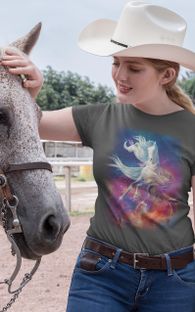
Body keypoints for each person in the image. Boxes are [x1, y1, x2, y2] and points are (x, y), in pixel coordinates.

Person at [1, 1, 195, 311]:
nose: (119, 74)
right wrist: (31, 89)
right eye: (116, 62)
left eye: (134, 67)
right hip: (102, 274)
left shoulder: (191, 129)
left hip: (176, 280)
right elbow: (23, 125)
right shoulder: (96, 118)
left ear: (167, 75)